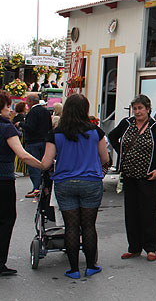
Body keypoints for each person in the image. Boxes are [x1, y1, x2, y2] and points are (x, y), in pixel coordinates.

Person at [22, 94, 109, 279]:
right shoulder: (96, 131)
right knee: (88, 225)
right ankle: (91, 266)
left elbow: (46, 163)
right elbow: (105, 158)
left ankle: (74, 269)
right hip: (91, 182)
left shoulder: (55, 134)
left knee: (71, 226)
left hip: (65, 183)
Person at [108, 94, 156, 262]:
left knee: (148, 213)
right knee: (131, 213)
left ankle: (150, 248)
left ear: (148, 109)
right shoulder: (126, 124)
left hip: (148, 177)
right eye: (135, 108)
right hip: (129, 175)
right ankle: (134, 247)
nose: (137, 112)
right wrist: (121, 152)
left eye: (140, 108)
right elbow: (112, 136)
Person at [0, 90, 38, 276]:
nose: (10, 110)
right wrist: (42, 165)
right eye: (8, 106)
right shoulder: (6, 128)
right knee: (6, 220)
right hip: (3, 180)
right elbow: (22, 154)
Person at [17, 93, 51, 198]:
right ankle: (43, 188)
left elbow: (30, 127)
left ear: (31, 102)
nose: (26, 103)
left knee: (34, 166)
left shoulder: (33, 112)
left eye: (27, 101)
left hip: (33, 142)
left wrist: (20, 124)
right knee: (43, 166)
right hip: (44, 141)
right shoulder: (46, 111)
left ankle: (36, 189)